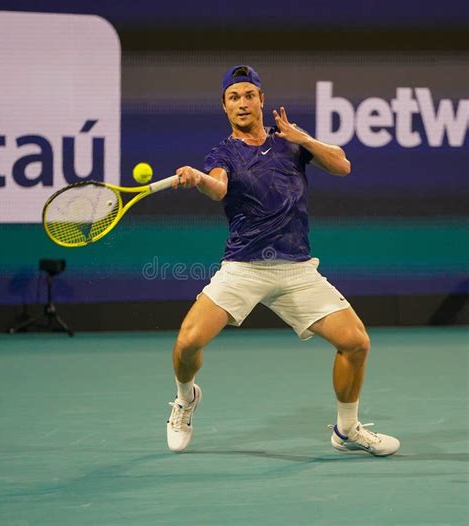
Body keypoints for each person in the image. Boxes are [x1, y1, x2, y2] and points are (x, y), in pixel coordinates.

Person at [166, 65, 400, 457]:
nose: (242, 103)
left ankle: (346, 431)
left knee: (356, 343)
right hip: (244, 267)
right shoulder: (223, 152)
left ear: (261, 99)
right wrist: (198, 177)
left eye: (248, 94)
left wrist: (302, 137)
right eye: (233, 97)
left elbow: (343, 165)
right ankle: (186, 398)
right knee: (188, 343)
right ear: (224, 108)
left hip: (296, 269)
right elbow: (219, 186)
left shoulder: (290, 143)